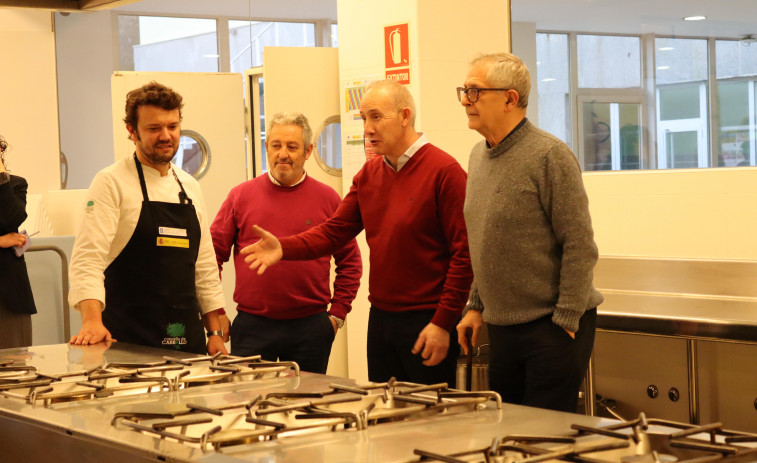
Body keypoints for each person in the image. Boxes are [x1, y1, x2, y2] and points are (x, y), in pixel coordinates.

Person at [241, 80, 472, 386]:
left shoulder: (445, 171)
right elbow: (333, 232)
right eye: (363, 118)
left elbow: (465, 255)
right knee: (385, 418)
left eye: (376, 117)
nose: (367, 128)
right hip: (381, 319)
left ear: (405, 116)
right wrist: (284, 248)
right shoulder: (370, 174)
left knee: (433, 423)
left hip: (427, 321)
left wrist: (443, 322)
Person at [456, 53, 604, 413]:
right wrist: (476, 306)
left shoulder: (549, 155)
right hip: (503, 326)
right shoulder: (478, 156)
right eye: (464, 91)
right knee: (510, 429)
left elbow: (580, 245)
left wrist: (566, 320)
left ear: (509, 98)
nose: (465, 101)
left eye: (475, 92)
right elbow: (485, 241)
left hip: (550, 326)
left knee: (544, 438)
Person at [68, 81, 227, 355]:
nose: (166, 135)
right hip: (127, 338)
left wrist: (214, 332)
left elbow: (204, 267)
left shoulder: (190, 187)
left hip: (185, 337)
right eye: (154, 128)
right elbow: (88, 259)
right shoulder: (111, 182)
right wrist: (92, 321)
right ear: (132, 131)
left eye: (172, 127)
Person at [210, 112, 362, 373]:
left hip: (311, 328)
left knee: (305, 408)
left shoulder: (328, 198)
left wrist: (337, 315)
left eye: (292, 147)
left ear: (308, 151)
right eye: (276, 145)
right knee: (248, 406)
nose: (283, 154)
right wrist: (216, 313)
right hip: (252, 327)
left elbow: (350, 262)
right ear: (267, 146)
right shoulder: (240, 196)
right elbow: (211, 257)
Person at [0, 135, 37, 348]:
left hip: (9, 289)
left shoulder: (15, 184)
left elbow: (11, 218)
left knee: (15, 366)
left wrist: (1, 178)